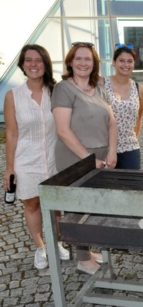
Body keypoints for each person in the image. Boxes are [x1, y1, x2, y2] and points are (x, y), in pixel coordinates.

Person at [51, 42, 117, 275]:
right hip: (75, 157)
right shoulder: (63, 89)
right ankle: (81, 258)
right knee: (76, 208)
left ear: (94, 63)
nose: (83, 63)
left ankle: (87, 251)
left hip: (100, 156)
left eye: (87, 59)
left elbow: (111, 121)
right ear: (70, 61)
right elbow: (62, 130)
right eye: (78, 58)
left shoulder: (98, 87)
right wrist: (89, 159)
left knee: (94, 205)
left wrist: (112, 150)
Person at [2, 44, 70, 270]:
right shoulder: (13, 96)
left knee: (57, 206)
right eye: (29, 60)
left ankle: (58, 243)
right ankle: (41, 247)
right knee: (31, 204)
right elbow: (11, 133)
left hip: (54, 158)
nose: (33, 64)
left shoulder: (57, 91)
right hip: (26, 160)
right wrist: (9, 168)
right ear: (22, 65)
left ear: (46, 64)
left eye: (38, 60)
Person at [104, 45, 143, 169]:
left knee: (131, 186)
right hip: (106, 147)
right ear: (114, 63)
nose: (125, 65)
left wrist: (134, 139)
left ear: (134, 64)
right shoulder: (102, 85)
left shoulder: (140, 89)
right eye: (121, 61)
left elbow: (139, 118)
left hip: (130, 148)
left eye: (130, 61)